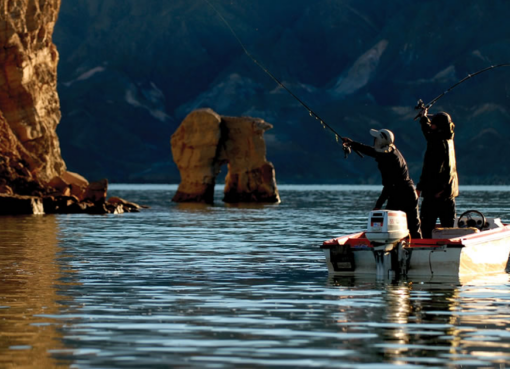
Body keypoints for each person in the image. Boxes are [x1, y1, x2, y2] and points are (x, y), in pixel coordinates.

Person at [343, 129, 422, 239]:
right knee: (411, 227)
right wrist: (352, 144)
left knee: (394, 225)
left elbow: (389, 186)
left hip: (402, 195)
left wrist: (378, 206)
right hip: (406, 192)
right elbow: (372, 151)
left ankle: (415, 249)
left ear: (379, 141)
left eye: (376, 138)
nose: (374, 140)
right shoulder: (389, 150)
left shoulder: (390, 160)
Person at [416, 110, 459, 238]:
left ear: (438, 126)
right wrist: (424, 118)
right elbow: (429, 133)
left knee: (426, 229)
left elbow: (430, 169)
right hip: (449, 192)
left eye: (433, 123)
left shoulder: (437, 143)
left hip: (435, 194)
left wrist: (419, 188)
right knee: (449, 229)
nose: (432, 125)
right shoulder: (448, 138)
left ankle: (424, 254)